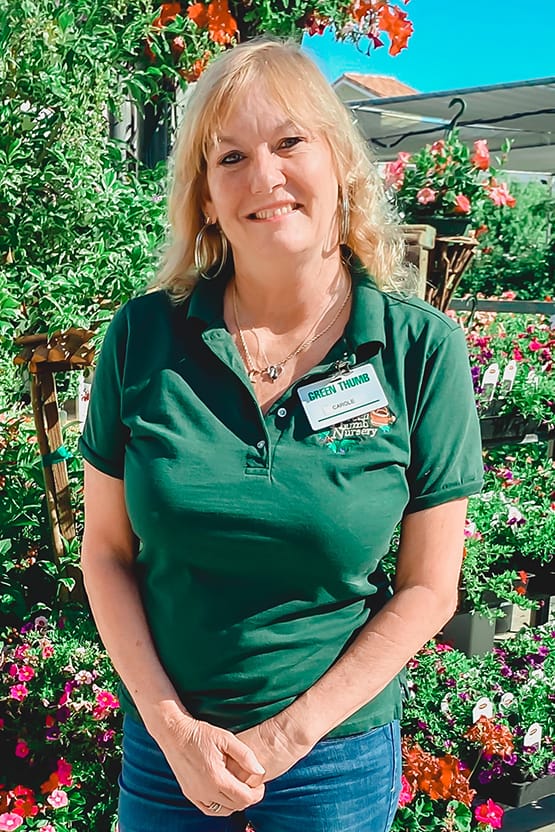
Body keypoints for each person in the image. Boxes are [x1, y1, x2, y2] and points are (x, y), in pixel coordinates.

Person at [79, 38, 484, 832]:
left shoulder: (417, 351)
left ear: (337, 160)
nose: (264, 177)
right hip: (171, 758)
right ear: (203, 196)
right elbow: (106, 552)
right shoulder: (141, 339)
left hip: (331, 762)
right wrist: (172, 729)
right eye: (230, 156)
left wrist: (287, 736)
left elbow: (431, 588)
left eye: (290, 141)